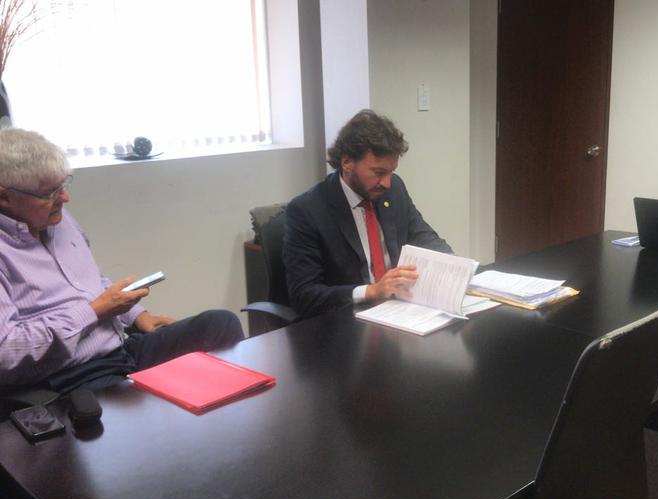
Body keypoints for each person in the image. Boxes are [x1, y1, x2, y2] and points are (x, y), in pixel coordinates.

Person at [0, 129, 244, 392]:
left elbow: (91, 283)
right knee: (157, 401)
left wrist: (137, 316)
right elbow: (7, 351)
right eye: (49, 193)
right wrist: (95, 311)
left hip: (120, 352)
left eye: (63, 186)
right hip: (69, 376)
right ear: (5, 197)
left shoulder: (60, 220)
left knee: (220, 325)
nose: (65, 198)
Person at [283, 109, 452, 320]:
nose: (387, 183)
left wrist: (455, 267)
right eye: (379, 172)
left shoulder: (394, 189)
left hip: (399, 311)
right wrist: (371, 291)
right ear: (347, 162)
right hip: (345, 321)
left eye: (391, 172)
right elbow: (304, 295)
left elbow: (423, 235)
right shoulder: (307, 210)